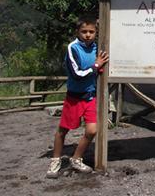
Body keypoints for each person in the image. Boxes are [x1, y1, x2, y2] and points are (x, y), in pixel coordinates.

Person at [46, 15, 109, 179]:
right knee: (63, 130)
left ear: (96, 32)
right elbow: (77, 74)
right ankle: (55, 160)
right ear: (77, 32)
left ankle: (76, 159)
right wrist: (96, 66)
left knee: (92, 130)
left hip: (90, 96)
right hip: (74, 97)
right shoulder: (72, 48)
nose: (88, 35)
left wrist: (98, 66)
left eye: (91, 31)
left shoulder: (97, 48)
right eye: (84, 31)